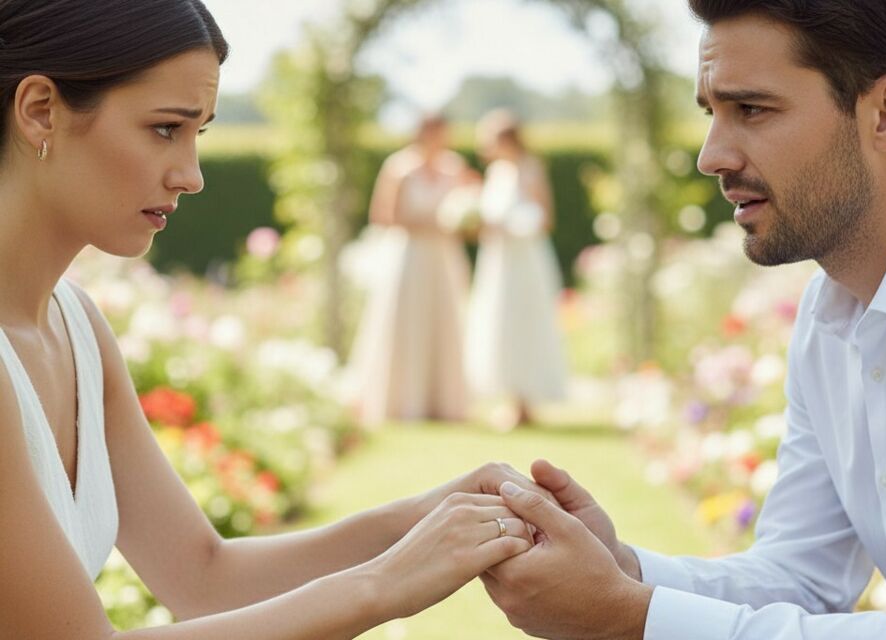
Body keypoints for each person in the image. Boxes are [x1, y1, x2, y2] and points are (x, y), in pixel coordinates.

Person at [0, 3, 552, 638]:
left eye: (197, 134)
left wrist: (437, 513)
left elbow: (205, 578)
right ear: (42, 108)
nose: (192, 176)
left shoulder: (78, 327)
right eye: (163, 129)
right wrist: (383, 585)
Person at [482, 1, 886, 638]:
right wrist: (618, 568)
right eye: (713, 113)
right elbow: (803, 578)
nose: (711, 156)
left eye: (753, 110)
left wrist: (626, 618)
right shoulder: (827, 315)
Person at [345, 114, 474, 425]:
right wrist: (429, 223)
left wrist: (464, 220)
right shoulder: (399, 167)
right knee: (407, 324)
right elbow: (383, 215)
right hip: (411, 256)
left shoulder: (454, 167)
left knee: (444, 322)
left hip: (443, 257)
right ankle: (402, 400)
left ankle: (442, 402)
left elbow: (472, 203)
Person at [465, 109, 567, 428]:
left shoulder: (530, 168)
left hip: (524, 260)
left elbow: (545, 218)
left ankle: (525, 403)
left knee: (524, 322)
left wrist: (509, 226)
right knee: (499, 323)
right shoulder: (496, 172)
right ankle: (512, 400)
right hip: (498, 260)